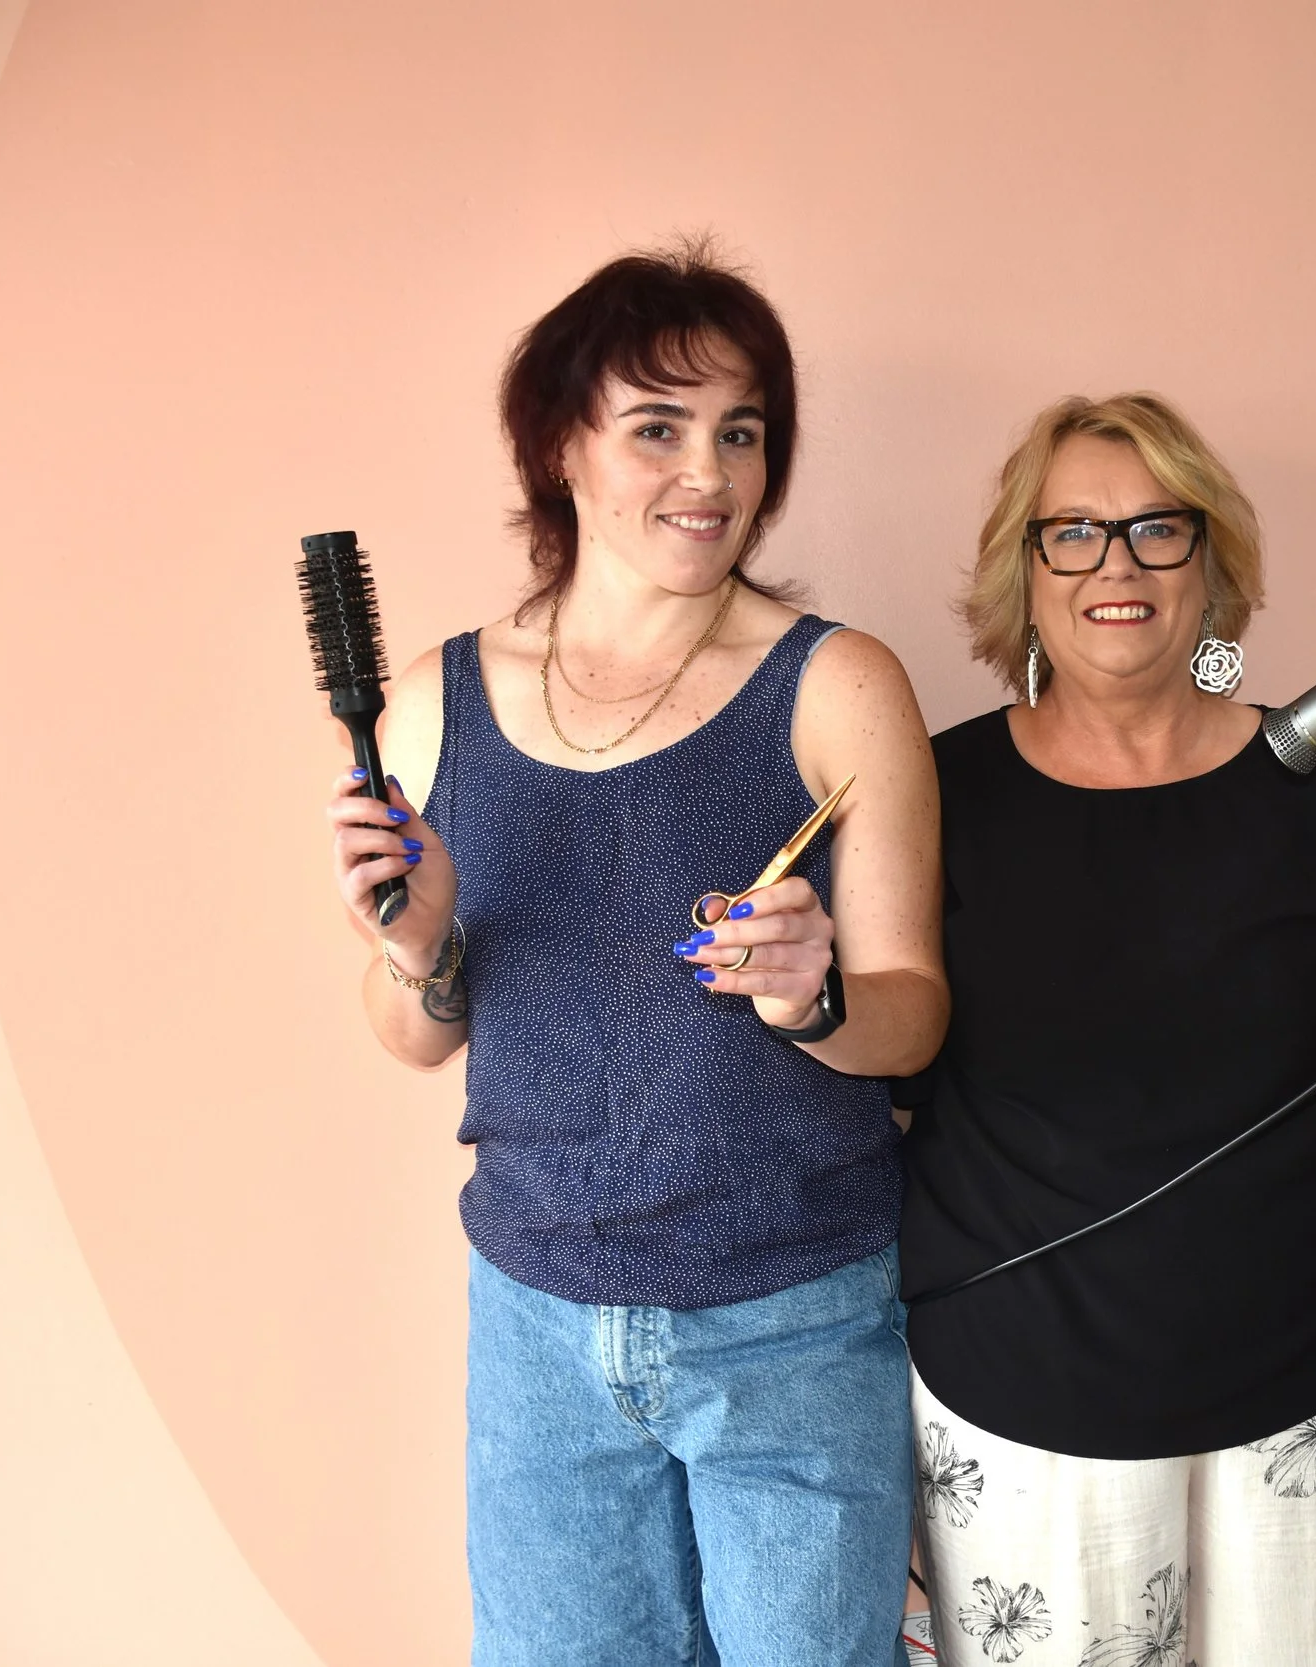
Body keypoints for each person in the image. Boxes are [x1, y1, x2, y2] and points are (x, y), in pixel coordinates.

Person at [322, 243, 945, 1667]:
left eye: (741, 430)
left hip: (795, 1315)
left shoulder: (840, 684)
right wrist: (417, 944)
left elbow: (913, 1013)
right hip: (534, 1325)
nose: (709, 473)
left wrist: (814, 997)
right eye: (658, 427)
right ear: (561, 446)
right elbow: (415, 1030)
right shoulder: (433, 701)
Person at [899, 393, 1316, 1665]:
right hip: (1020, 1399)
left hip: (1303, 1387)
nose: (1115, 564)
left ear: (1209, 565)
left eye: (1156, 528)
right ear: (1024, 571)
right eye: (1073, 531)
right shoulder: (933, 796)